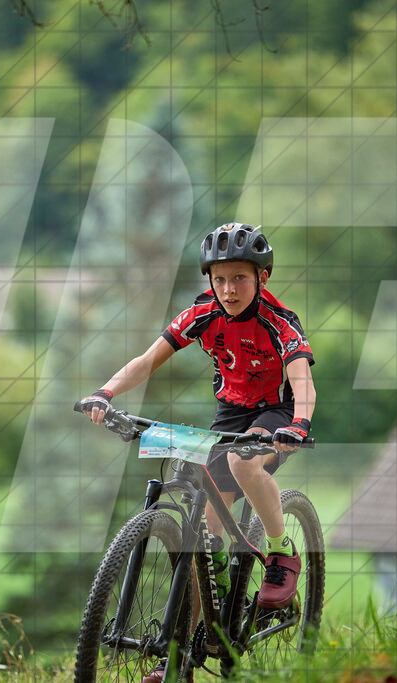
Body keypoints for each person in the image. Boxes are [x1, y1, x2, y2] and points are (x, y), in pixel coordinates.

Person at [79, 223, 316, 683]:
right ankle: (179, 661)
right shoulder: (201, 315)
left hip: (277, 412)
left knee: (242, 462)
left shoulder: (279, 321)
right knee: (200, 544)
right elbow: (148, 360)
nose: (228, 289)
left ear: (262, 277)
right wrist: (104, 392)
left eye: (240, 278)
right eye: (220, 279)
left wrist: (298, 423)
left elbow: (303, 381)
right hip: (230, 412)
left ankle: (280, 550)